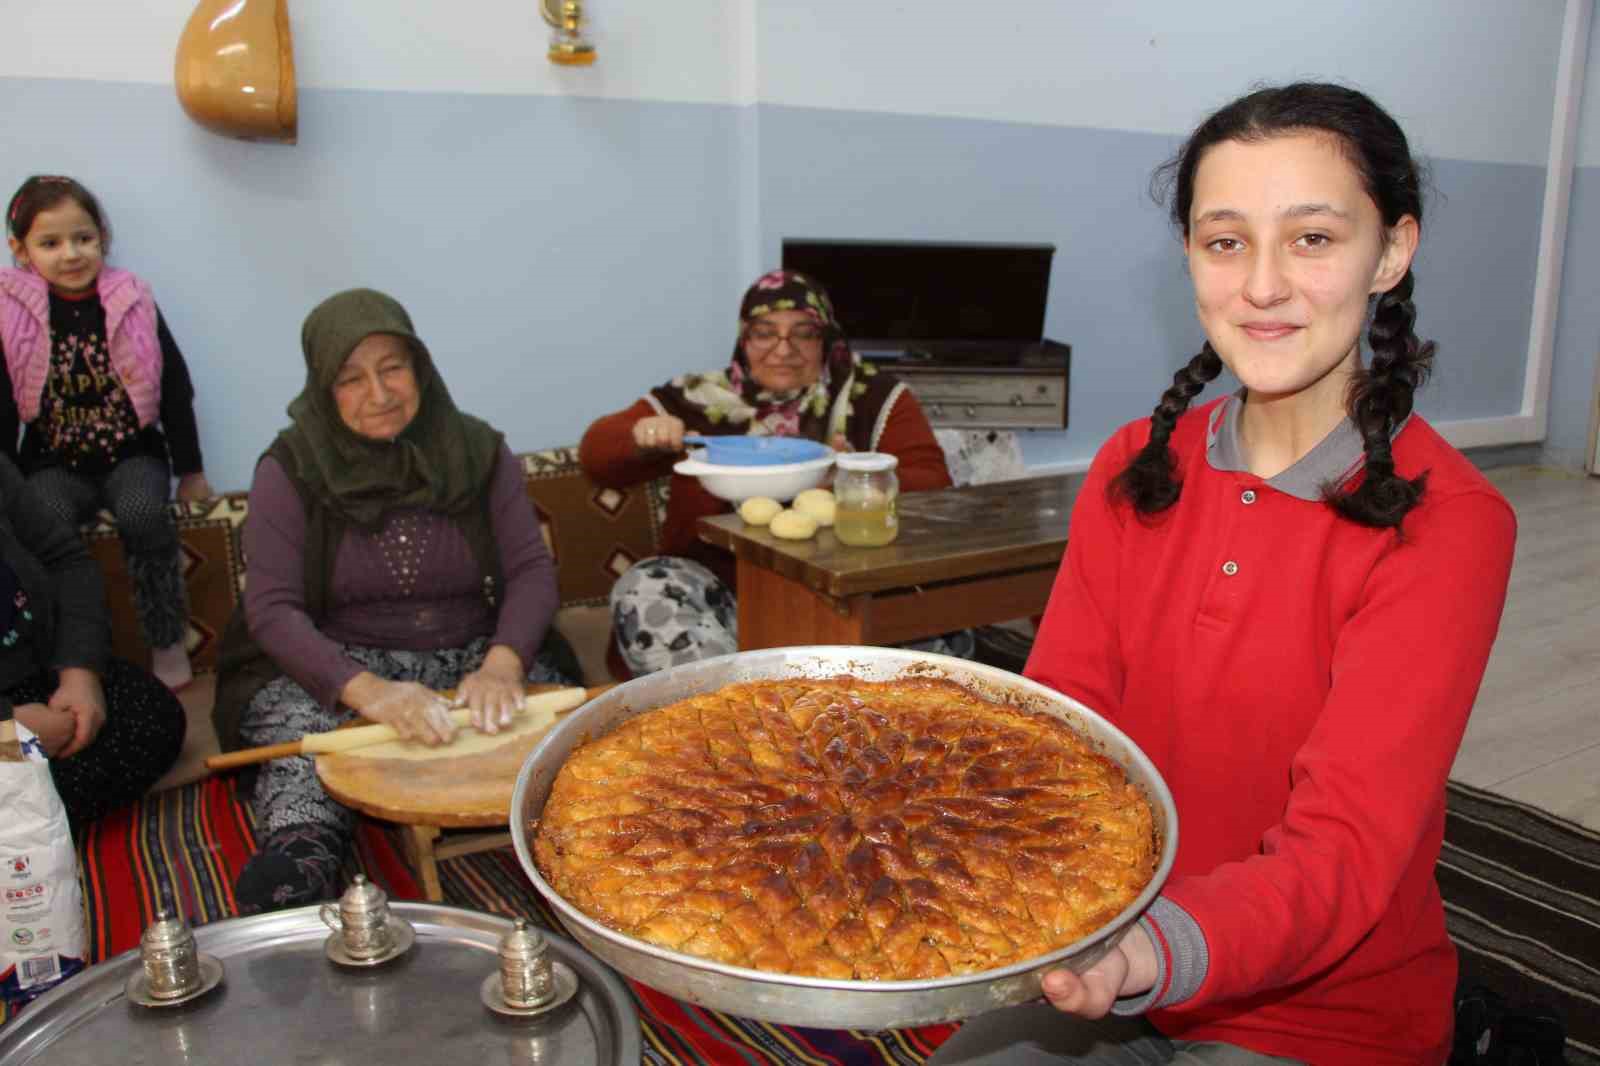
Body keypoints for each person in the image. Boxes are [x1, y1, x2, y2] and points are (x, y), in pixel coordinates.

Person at [929, 84, 1516, 1066]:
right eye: (1225, 241)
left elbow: (1343, 854)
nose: (1262, 287)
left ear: (1393, 251)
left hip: (1318, 1012)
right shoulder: (1133, 464)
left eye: (1313, 239)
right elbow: (1063, 725)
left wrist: (1145, 949)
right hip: (1104, 950)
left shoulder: (1447, 521)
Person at [215, 288, 577, 911]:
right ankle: (301, 857)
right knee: (311, 747)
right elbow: (272, 610)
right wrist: (370, 693)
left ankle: (582, 846)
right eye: (350, 378)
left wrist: (503, 664)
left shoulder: (478, 450)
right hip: (340, 665)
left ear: (420, 368)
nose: (379, 395)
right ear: (323, 387)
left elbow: (530, 572)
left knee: (564, 747)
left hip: (472, 657)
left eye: (392, 368)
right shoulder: (290, 466)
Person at [579, 269, 954, 675]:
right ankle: (728, 712)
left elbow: (934, 484)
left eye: (803, 333)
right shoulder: (697, 399)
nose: (783, 348)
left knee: (934, 638)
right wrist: (642, 433)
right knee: (645, 588)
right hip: (721, 598)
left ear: (825, 338)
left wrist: (847, 477)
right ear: (744, 339)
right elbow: (597, 457)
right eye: (764, 332)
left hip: (846, 593)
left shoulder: (872, 398)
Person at [1, 175, 211, 694]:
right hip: (53, 462)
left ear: (102, 239)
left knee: (143, 512)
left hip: (131, 454)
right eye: (50, 243)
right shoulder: (10, 314)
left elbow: (175, 387)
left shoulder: (131, 299)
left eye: (84, 238)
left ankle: (165, 635)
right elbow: (3, 403)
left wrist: (191, 471)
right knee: (41, 524)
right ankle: (70, 655)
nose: (71, 254)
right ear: (20, 250)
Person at [0, 452, 184, 829]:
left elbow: (65, 559)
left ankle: (25, 818)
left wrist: (79, 675)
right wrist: (9, 730)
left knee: (153, 717)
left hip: (37, 675)